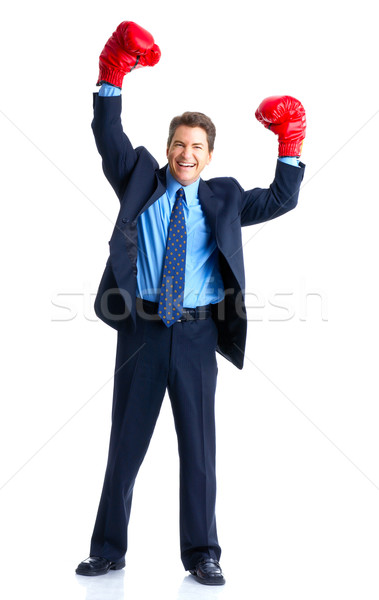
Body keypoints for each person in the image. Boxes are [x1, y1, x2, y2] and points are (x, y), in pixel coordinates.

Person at [75, 21, 306, 586]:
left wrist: (290, 140)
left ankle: (203, 553)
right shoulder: (137, 178)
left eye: (196, 147)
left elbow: (281, 198)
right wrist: (111, 72)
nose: (185, 153)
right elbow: (109, 133)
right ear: (170, 147)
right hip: (143, 329)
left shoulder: (224, 197)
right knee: (125, 445)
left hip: (199, 334)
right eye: (179, 143)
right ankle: (108, 549)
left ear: (209, 155)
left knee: (199, 452)